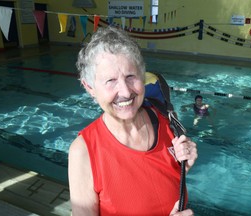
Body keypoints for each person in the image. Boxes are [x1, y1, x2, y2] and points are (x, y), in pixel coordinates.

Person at [68, 26, 198, 216]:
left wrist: (184, 164)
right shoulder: (84, 152)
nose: (126, 92)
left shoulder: (165, 119)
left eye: (130, 76)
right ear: (90, 88)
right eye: (110, 81)